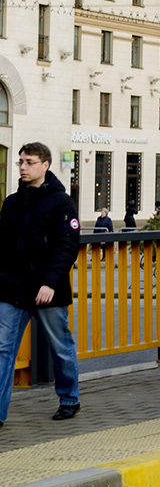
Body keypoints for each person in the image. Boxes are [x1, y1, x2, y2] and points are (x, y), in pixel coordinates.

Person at [0, 142, 81, 423]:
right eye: (20, 162)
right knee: (3, 349)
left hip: (48, 289)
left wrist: (50, 283)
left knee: (60, 347)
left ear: (45, 165)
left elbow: (67, 246)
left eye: (29, 162)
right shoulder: (12, 202)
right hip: (13, 288)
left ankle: (69, 399)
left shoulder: (62, 202)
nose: (23, 167)